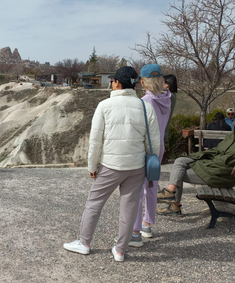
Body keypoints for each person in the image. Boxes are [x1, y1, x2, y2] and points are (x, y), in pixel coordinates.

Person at [63, 66, 160, 262]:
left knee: (94, 203)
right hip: (136, 166)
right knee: (129, 207)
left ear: (116, 82)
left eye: (113, 80)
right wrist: (148, 161)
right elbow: (154, 143)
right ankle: (120, 250)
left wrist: (92, 167)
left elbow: (95, 140)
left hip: (111, 165)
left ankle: (85, 242)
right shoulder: (144, 106)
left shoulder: (105, 105)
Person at [157, 105, 235, 216]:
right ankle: (171, 195)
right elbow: (216, 150)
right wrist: (196, 156)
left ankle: (173, 203)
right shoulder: (233, 135)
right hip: (212, 169)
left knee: (178, 173)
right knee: (180, 161)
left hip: (221, 176)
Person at [131, 64, 171, 245]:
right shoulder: (167, 98)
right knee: (152, 185)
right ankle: (148, 223)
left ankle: (135, 229)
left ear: (143, 81)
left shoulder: (145, 101)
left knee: (137, 188)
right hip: (159, 146)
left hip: (145, 148)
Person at [163, 74, 178, 145]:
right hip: (165, 130)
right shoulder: (172, 95)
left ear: (167, 85)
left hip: (163, 131)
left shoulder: (169, 96)